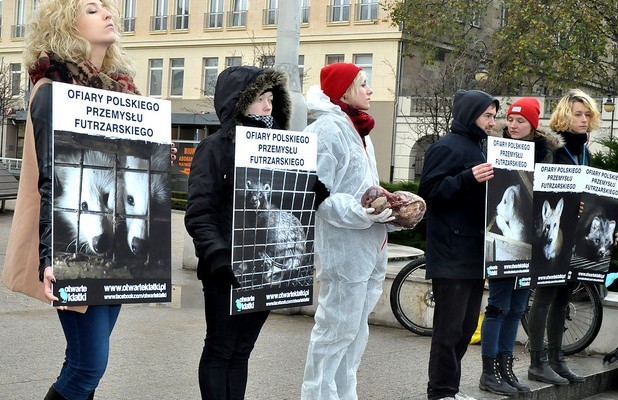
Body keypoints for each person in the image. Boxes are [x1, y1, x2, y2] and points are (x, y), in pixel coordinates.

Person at [0, 0, 141, 400]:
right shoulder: (52, 89)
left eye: (106, 8)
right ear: (68, 25)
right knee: (86, 367)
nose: (107, 14)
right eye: (93, 9)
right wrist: (51, 258)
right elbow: (52, 180)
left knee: (86, 367)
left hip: (114, 246)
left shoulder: (121, 91)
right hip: (74, 245)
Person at [185, 65, 292, 400]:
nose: (267, 106)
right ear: (238, 102)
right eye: (260, 98)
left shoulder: (279, 152)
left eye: (271, 99)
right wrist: (216, 255)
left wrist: (314, 190)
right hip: (225, 270)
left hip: (263, 269)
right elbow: (199, 211)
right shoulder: (214, 147)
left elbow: (286, 204)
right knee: (220, 349)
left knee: (242, 351)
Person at [300, 62, 396, 399]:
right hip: (343, 249)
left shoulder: (359, 130)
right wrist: (366, 212)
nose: (370, 91)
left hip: (368, 247)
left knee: (354, 332)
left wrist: (389, 206)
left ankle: (343, 393)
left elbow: (362, 187)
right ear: (344, 91)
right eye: (364, 84)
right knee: (334, 332)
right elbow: (319, 197)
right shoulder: (326, 131)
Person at [418, 89, 499, 400]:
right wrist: (468, 178)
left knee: (465, 329)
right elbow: (430, 192)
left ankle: (448, 390)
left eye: (493, 116)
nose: (492, 122)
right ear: (470, 115)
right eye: (487, 116)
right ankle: (440, 392)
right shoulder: (446, 147)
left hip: (474, 253)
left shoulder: (480, 148)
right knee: (449, 330)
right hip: (451, 253)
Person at [479, 98, 564, 395]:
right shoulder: (495, 150)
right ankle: (489, 371)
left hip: (533, 245)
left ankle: (507, 368)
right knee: (498, 307)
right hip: (505, 243)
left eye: (520, 121)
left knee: (516, 308)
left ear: (533, 125)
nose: (513, 126)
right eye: (510, 121)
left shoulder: (547, 156)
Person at [527, 89, 602, 385]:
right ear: (564, 114)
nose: (584, 120)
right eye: (578, 114)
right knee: (545, 296)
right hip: (552, 232)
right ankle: (537, 361)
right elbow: (539, 189)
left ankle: (557, 360)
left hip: (577, 232)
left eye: (587, 115)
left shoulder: (586, 151)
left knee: (562, 298)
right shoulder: (552, 148)